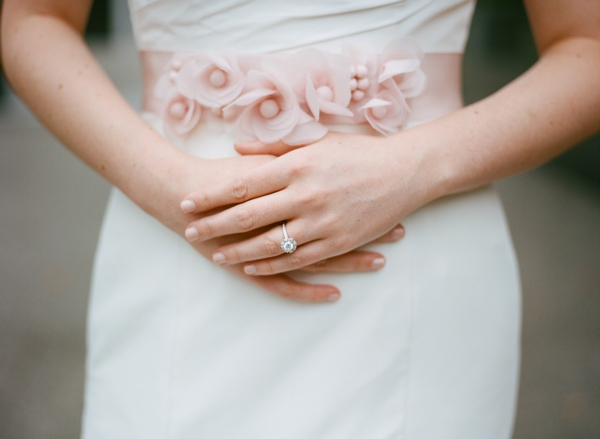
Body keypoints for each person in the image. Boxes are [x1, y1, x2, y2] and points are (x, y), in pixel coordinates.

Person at [2, 0, 599, 437]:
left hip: (415, 252)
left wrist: (414, 166)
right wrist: (168, 186)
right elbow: (32, 19)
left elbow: (588, 44)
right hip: (176, 249)